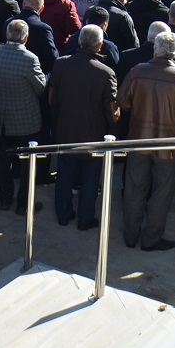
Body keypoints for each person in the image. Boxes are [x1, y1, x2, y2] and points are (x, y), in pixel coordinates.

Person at [120, 30, 175, 252]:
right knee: (162, 192)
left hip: (138, 140)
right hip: (169, 145)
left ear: (156, 49)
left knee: (134, 188)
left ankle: (131, 235)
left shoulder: (137, 71)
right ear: (174, 52)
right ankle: (151, 238)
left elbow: (122, 102)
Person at [48, 23, 118, 230]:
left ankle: (63, 213)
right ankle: (85, 218)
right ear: (100, 46)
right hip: (93, 135)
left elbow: (52, 98)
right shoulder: (106, 73)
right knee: (90, 178)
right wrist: (113, 129)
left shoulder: (61, 64)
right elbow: (112, 110)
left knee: (65, 174)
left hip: (65, 130)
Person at [0, 18, 48, 218]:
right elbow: (40, 88)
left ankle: (5, 198)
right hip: (26, 120)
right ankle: (23, 204)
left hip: (2, 118)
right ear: (26, 38)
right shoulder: (30, 59)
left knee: (3, 160)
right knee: (27, 165)